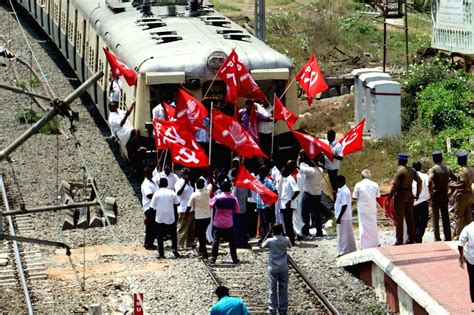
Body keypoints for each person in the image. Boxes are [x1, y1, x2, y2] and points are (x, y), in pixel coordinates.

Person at [389, 153, 421, 245]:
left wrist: (390, 197)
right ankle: (411, 238)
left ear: (399, 161)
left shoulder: (399, 171)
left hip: (400, 195)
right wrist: (417, 194)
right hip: (410, 195)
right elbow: (419, 182)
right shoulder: (412, 170)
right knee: (410, 218)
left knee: (399, 218)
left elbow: (395, 186)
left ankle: (399, 239)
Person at [262, 223, 292, 315]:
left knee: (272, 288)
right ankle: (283, 309)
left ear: (272, 231)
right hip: (283, 267)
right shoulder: (286, 239)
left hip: (273, 267)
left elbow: (262, 245)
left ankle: (272, 309)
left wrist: (268, 234)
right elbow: (290, 245)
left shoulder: (270, 241)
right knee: (283, 288)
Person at [209, 180, 240, 264]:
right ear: (230, 188)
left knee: (216, 240)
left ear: (221, 188)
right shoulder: (234, 199)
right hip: (228, 223)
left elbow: (210, 206)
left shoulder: (217, 197)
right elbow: (237, 210)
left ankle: (213, 257)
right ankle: (234, 258)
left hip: (217, 223)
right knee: (231, 241)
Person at [150, 178, 180, 258]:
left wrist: (147, 217)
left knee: (159, 236)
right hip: (170, 217)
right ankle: (174, 249)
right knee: (173, 235)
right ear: (167, 184)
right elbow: (178, 203)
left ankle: (161, 253)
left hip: (160, 217)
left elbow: (152, 207)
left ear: (159, 184)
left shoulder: (156, 193)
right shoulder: (172, 192)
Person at [428, 151, 455, 241]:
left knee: (435, 217)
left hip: (436, 195)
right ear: (441, 158)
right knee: (445, 216)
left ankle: (437, 238)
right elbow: (455, 178)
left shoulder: (433, 169)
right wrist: (452, 191)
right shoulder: (448, 168)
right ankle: (448, 237)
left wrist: (431, 192)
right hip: (444, 194)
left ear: (434, 159)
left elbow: (429, 181)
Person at [108, 101, 142, 171]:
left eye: (115, 106)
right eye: (113, 106)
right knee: (134, 131)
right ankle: (139, 147)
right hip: (121, 132)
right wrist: (126, 115)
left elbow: (127, 112)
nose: (115, 107)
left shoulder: (119, 111)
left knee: (129, 149)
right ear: (110, 108)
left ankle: (133, 167)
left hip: (126, 129)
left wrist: (132, 105)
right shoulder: (111, 118)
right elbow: (121, 124)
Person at [352, 169, 381, 249]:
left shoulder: (358, 185)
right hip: (372, 208)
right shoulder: (375, 184)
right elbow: (378, 196)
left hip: (362, 209)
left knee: (363, 227)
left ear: (362, 176)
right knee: (373, 226)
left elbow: (354, 197)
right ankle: (375, 243)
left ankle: (364, 245)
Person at [298, 151, 324, 237]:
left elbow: (299, 167)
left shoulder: (310, 170)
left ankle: (305, 231)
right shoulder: (320, 170)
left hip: (308, 194)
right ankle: (319, 231)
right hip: (317, 194)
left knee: (305, 213)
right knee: (316, 213)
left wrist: (300, 159)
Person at [450, 152, 473, 239]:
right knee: (468, 215)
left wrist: (451, 185)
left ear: (460, 160)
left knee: (458, 216)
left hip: (462, 195)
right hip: (469, 194)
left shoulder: (463, 171)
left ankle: (458, 235)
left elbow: (462, 184)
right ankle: (471, 234)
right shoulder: (470, 169)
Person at [187, 178, 212, 258]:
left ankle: (203, 253)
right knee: (202, 234)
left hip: (199, 218)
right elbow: (210, 185)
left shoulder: (194, 195)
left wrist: (185, 215)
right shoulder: (207, 192)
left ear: (196, 186)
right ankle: (202, 251)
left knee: (201, 235)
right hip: (207, 217)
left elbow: (189, 206)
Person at [335, 175, 356, 256]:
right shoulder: (344, 190)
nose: (336, 183)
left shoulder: (344, 191)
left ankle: (343, 251)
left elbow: (344, 205)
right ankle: (351, 249)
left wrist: (339, 217)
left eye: (337, 181)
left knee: (342, 235)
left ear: (341, 181)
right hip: (346, 216)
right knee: (348, 234)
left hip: (343, 217)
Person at [175, 168, 195, 249]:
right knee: (182, 227)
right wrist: (184, 183)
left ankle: (189, 244)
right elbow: (178, 193)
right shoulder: (179, 183)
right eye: (185, 174)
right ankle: (180, 244)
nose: (187, 175)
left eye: (188, 174)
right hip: (183, 209)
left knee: (191, 228)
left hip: (191, 208)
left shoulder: (190, 183)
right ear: (181, 175)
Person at [256, 166, 277, 243]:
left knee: (266, 222)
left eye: (261, 172)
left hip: (266, 206)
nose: (260, 174)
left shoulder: (269, 182)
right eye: (259, 172)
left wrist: (270, 204)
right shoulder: (257, 180)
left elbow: (275, 193)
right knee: (261, 222)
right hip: (259, 205)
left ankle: (267, 237)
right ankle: (263, 236)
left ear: (265, 173)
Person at [280, 166, 300, 246]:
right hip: (283, 204)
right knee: (286, 223)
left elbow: (297, 191)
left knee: (288, 223)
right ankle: (289, 240)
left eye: (282, 171)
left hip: (288, 205)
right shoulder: (285, 179)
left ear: (287, 171)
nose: (281, 173)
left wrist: (290, 200)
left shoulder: (290, 179)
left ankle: (291, 240)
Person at [412, 161, 430, 243]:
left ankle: (415, 236)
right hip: (423, 202)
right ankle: (418, 236)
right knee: (423, 221)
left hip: (413, 202)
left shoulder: (410, 176)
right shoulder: (425, 176)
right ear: (420, 167)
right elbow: (429, 185)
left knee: (414, 221)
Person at [231, 178, 252, 248]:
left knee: (236, 227)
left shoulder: (236, 185)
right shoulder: (246, 184)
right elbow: (250, 195)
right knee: (243, 226)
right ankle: (243, 242)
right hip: (244, 208)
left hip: (236, 209)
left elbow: (233, 197)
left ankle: (237, 242)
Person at [141, 167, 158, 250]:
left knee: (153, 226)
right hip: (149, 208)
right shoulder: (146, 184)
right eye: (149, 173)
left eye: (151, 173)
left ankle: (150, 242)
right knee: (150, 227)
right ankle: (148, 244)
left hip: (154, 207)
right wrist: (157, 196)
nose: (151, 174)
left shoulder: (152, 182)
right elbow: (149, 195)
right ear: (146, 174)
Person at [324, 130, 344, 200]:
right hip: (328, 167)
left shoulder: (338, 146)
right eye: (328, 136)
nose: (328, 138)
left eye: (329, 136)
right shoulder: (328, 143)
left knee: (334, 184)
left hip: (334, 168)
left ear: (333, 136)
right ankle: (335, 197)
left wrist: (332, 155)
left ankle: (337, 198)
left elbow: (341, 157)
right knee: (332, 184)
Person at [458, 221, 474, 303]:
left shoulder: (468, 228)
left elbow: (460, 244)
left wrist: (461, 256)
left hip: (471, 258)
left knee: (472, 280)